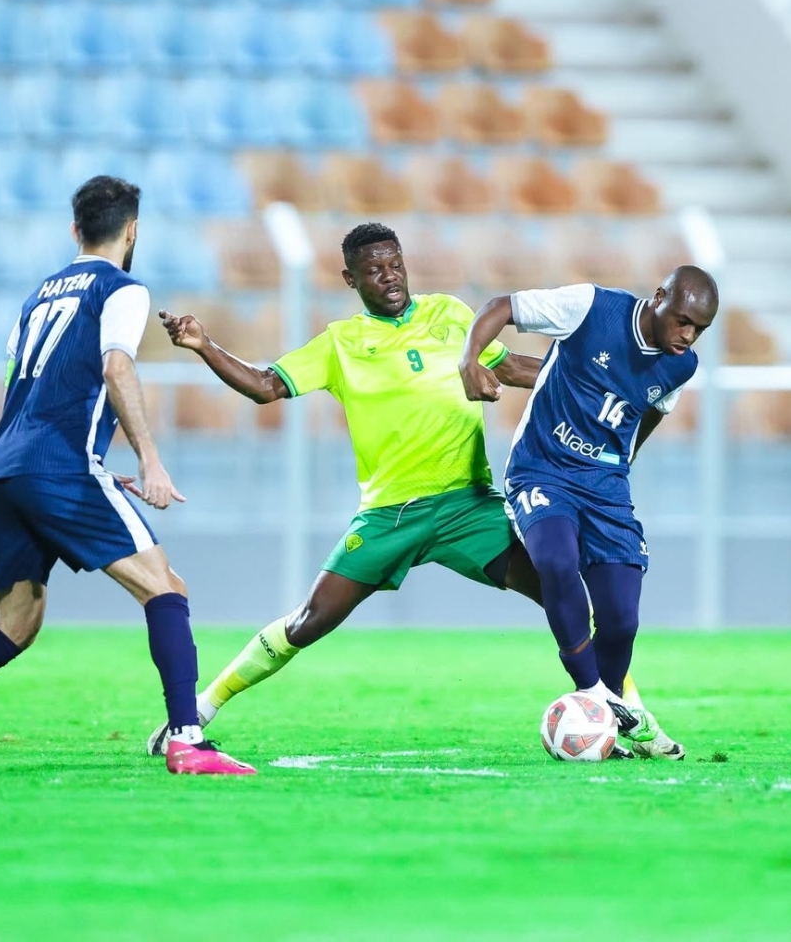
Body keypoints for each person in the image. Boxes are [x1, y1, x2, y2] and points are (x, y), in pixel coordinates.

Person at [147, 222, 680, 760]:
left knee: (565, 593)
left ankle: (631, 719)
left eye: (395, 264)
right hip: (389, 514)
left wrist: (596, 390)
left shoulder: (449, 315)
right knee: (310, 621)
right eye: (374, 269)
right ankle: (198, 711)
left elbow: (516, 367)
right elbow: (265, 386)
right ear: (349, 279)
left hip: (469, 505)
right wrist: (203, 345)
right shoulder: (341, 344)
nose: (389, 276)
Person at [0, 176, 254, 778]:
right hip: (58, 465)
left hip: (4, 468)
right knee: (166, 588)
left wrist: (76, 466)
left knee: (16, 622)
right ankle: (188, 741)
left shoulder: (37, 297)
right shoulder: (121, 288)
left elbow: (18, 385)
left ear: (75, 230)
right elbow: (117, 366)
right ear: (132, 230)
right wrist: (149, 458)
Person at [460, 266, 718, 748]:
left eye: (700, 328)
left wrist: (618, 469)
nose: (689, 335)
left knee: (622, 618)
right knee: (555, 560)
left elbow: (649, 414)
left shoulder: (682, 365)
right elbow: (500, 306)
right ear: (659, 296)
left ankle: (610, 710)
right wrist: (469, 358)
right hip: (542, 469)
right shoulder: (590, 308)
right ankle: (593, 695)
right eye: (683, 320)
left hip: (606, 487)